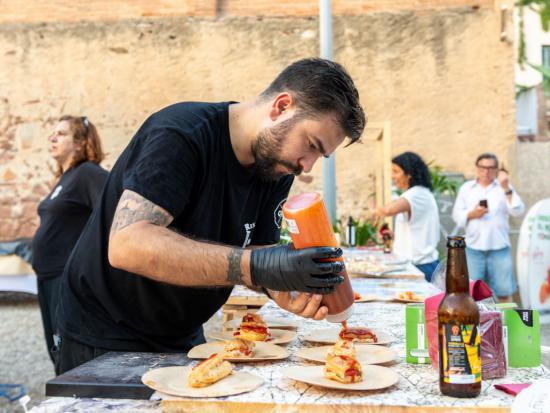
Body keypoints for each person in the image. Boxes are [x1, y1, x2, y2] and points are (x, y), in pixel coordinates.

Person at [54, 58, 366, 374]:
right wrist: (256, 267)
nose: (307, 165)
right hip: (106, 334)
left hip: (182, 335)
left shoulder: (275, 168)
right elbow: (127, 245)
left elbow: (255, 254)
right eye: (311, 145)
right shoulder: (181, 134)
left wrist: (282, 282)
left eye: (319, 155)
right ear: (281, 106)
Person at [31, 116, 108, 363]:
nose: (52, 138)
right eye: (53, 133)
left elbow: (110, 214)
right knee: (56, 349)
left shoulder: (88, 173)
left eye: (61, 134)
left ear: (81, 143)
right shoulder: (65, 179)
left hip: (66, 278)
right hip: (47, 278)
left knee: (67, 350)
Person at [451, 152, 524, 302]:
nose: (486, 172)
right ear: (476, 168)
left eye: (491, 168)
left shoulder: (504, 188)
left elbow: (517, 211)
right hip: (473, 247)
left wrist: (506, 188)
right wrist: (473, 214)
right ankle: (475, 323)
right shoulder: (467, 188)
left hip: (499, 246)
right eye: (483, 167)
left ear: (497, 170)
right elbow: (456, 216)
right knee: (471, 293)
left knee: (504, 292)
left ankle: (505, 324)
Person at [374, 152, 440, 282]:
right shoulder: (417, 194)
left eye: (396, 171)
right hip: (417, 263)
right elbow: (417, 228)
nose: (393, 177)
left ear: (409, 174)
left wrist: (374, 210)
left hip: (420, 266)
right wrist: (397, 237)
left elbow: (388, 210)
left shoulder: (417, 194)